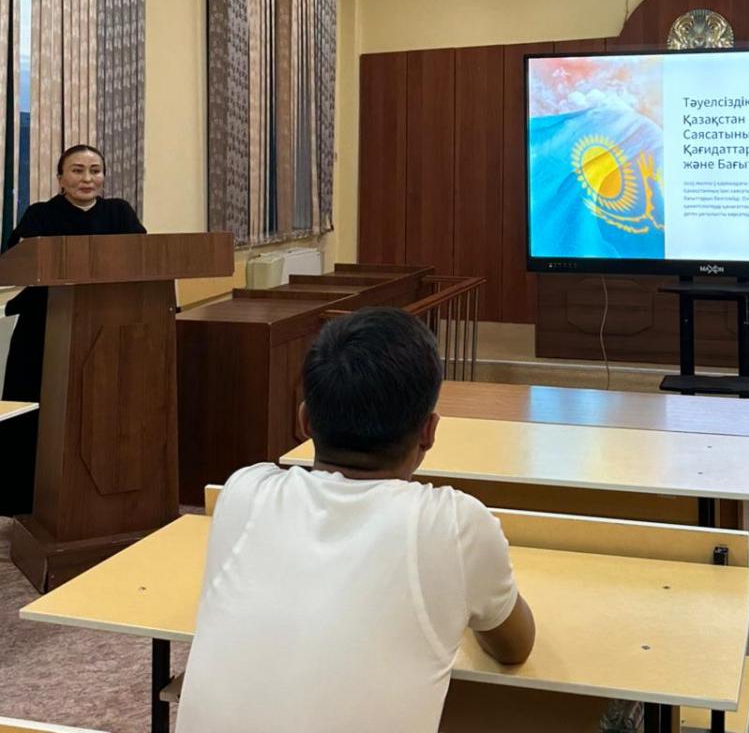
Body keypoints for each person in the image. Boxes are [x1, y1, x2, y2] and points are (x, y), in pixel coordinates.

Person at [176, 307, 535, 733]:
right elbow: (514, 646)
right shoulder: (456, 525)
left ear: (304, 421)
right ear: (429, 431)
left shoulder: (243, 492)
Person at [0, 144, 145, 516]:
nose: (87, 178)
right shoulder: (40, 215)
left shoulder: (119, 212)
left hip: (108, 327)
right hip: (44, 328)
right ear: (60, 179)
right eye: (77, 170)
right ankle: (24, 499)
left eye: (95, 170)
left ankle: (102, 492)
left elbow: (144, 258)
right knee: (36, 409)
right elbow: (17, 261)